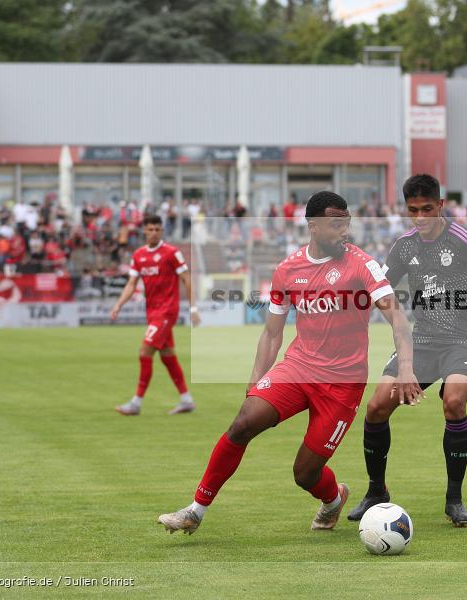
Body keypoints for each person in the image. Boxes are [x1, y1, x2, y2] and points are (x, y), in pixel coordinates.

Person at [157, 191, 421, 535]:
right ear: (313, 226)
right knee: (243, 423)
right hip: (297, 368)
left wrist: (406, 368)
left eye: (347, 223)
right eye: (336, 224)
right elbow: (271, 334)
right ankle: (195, 510)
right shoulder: (287, 270)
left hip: (343, 383)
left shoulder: (362, 265)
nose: (345, 231)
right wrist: (255, 381)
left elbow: (398, 319)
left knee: (305, 473)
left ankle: (333, 500)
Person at [347, 174, 467, 527]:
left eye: (426, 209)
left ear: (440, 206)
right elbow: (382, 291)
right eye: (412, 211)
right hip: (421, 342)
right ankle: (376, 490)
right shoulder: (404, 247)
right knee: (376, 407)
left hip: (463, 341)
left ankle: (454, 499)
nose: (419, 218)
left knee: (453, 402)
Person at [112, 214, 200, 415]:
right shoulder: (139, 255)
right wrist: (118, 304)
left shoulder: (171, 253)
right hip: (152, 312)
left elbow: (187, 279)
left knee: (145, 352)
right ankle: (186, 399)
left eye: (157, 229)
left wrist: (193, 308)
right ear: (144, 231)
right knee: (168, 356)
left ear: (162, 231)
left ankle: (136, 403)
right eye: (150, 229)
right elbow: (132, 284)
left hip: (167, 311)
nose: (153, 233)